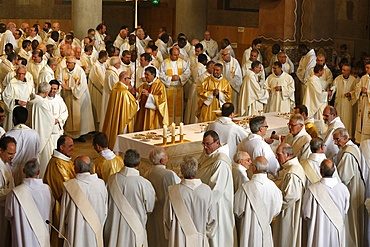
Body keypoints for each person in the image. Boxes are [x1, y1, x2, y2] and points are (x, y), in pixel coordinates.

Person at [104, 149, 155, 247]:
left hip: (114, 229)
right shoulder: (144, 184)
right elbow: (149, 208)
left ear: (124, 162)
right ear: (139, 164)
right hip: (135, 230)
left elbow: (105, 203)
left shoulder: (111, 179)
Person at [164, 156, 216, 247]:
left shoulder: (172, 191)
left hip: (178, 239)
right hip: (200, 238)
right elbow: (212, 219)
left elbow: (167, 219)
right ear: (196, 170)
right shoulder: (206, 190)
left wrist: (172, 234)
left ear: (181, 171)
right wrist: (205, 234)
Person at [196, 130, 236, 247]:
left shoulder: (221, 162)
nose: (205, 147)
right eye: (203, 144)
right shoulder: (209, 155)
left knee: (218, 238)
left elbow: (216, 190)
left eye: (208, 144)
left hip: (217, 206)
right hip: (209, 202)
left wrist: (203, 205)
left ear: (217, 143)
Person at [59, 155, 107, 247]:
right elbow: (105, 210)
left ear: (76, 168)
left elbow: (64, 211)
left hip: (75, 231)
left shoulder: (70, 186)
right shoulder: (101, 184)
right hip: (95, 230)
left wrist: (62, 229)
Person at [234, 156, 282, 247]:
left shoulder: (245, 187)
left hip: (249, 230)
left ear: (254, 168)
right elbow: (277, 210)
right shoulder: (274, 187)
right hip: (266, 228)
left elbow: (237, 210)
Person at [5, 159, 54, 247]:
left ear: (23, 171)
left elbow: (9, 214)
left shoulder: (15, 193)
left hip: (22, 236)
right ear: (38, 172)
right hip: (42, 235)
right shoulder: (47, 189)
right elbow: (52, 206)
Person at [302, 159, 350, 247]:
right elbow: (345, 210)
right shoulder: (343, 189)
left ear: (320, 171)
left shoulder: (312, 190)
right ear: (334, 170)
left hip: (318, 231)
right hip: (337, 230)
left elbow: (306, 213)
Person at [333, 127, 365, 246]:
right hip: (356, 186)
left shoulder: (348, 154)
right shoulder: (353, 147)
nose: (336, 143)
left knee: (351, 220)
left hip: (351, 189)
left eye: (337, 140)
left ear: (345, 138)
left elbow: (343, 176)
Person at [43, 135, 76, 247]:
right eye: (70, 146)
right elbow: (64, 189)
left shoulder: (64, 160)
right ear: (62, 148)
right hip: (59, 207)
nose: (73, 148)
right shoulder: (57, 164)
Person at [145, 147, 181, 247]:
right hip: (167, 212)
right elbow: (177, 191)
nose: (167, 157)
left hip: (154, 211)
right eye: (166, 155)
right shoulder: (168, 174)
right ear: (162, 160)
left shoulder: (147, 173)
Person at [273, 143, 306, 247]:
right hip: (288, 210)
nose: (276, 157)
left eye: (278, 155)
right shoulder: (291, 168)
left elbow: (290, 197)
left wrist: (274, 206)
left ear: (287, 154)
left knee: (286, 238)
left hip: (289, 212)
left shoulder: (292, 172)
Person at [59, 56, 94, 142]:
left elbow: (83, 85)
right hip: (67, 96)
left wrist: (71, 89)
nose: (67, 64)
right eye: (66, 62)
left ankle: (79, 135)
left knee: (78, 115)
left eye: (69, 63)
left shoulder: (80, 71)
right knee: (69, 114)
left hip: (77, 98)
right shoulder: (63, 71)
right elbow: (59, 80)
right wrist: (62, 86)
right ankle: (68, 135)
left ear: (74, 64)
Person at [102, 71, 139, 149]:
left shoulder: (115, 88)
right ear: (125, 79)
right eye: (129, 79)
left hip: (114, 117)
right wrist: (137, 102)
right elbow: (130, 108)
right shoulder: (124, 92)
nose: (130, 81)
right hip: (122, 119)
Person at [6, 107, 40, 186]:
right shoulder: (34, 134)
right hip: (30, 171)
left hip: (13, 171)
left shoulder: (8, 135)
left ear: (14, 118)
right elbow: (37, 152)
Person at [29, 82, 55, 179]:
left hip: (31, 136)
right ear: (47, 92)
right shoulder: (43, 103)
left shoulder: (31, 101)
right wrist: (54, 120)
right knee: (44, 159)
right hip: (42, 135)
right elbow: (50, 120)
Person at [159, 46, 191, 124]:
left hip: (179, 88)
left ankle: (177, 124)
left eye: (177, 54)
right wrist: (170, 78)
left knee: (178, 109)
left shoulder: (182, 62)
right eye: (174, 55)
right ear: (170, 54)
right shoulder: (164, 63)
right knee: (169, 108)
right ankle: (168, 124)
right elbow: (160, 74)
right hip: (169, 88)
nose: (177, 56)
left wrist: (180, 77)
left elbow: (188, 72)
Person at [135, 66, 169, 131]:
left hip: (153, 113)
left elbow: (162, 100)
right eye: (145, 74)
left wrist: (149, 95)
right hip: (144, 111)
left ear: (153, 75)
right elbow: (138, 92)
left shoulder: (160, 85)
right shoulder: (145, 85)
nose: (145, 76)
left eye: (147, 74)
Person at [2, 65, 35, 131]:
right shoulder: (12, 83)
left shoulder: (28, 84)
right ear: (16, 73)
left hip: (26, 109)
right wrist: (17, 101)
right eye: (19, 73)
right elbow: (6, 96)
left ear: (25, 74)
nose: (20, 75)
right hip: (15, 108)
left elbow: (32, 95)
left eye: (22, 74)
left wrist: (29, 102)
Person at [330, 64, 357, 137]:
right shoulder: (338, 79)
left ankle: (347, 136)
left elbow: (356, 91)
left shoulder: (354, 80)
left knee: (348, 121)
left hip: (348, 103)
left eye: (345, 70)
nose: (342, 71)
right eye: (342, 69)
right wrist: (331, 91)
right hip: (339, 102)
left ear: (349, 71)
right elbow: (334, 87)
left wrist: (351, 94)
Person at [185, 60, 214, 124]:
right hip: (203, 98)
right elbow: (200, 89)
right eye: (212, 68)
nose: (214, 70)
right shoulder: (203, 77)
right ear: (208, 68)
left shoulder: (213, 77)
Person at [0, 136, 16, 247]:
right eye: (10, 153)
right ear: (1, 150)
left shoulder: (5, 162)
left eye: (14, 153)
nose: (12, 157)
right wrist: (13, 193)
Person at [302, 64, 328, 130]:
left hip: (315, 101)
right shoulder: (313, 80)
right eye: (322, 71)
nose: (323, 72)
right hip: (313, 102)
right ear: (319, 71)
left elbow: (318, 91)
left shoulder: (315, 79)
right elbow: (318, 94)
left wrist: (323, 91)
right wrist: (327, 93)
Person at [100, 56, 121, 130]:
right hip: (110, 96)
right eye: (119, 63)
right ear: (115, 64)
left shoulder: (110, 71)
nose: (120, 65)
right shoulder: (112, 73)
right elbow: (115, 86)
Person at [88, 50, 108, 130]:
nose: (107, 58)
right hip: (97, 91)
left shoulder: (104, 64)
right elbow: (97, 80)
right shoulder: (95, 66)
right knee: (98, 110)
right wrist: (104, 88)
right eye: (106, 57)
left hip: (102, 92)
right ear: (103, 57)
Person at [219, 48, 242, 113]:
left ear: (229, 55)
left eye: (224, 55)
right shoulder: (220, 62)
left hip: (232, 88)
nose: (223, 57)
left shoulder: (235, 62)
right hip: (223, 88)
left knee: (232, 104)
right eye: (222, 55)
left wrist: (228, 83)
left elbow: (238, 77)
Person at [47, 80, 68, 149]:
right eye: (51, 88)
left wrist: (58, 120)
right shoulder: (43, 100)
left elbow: (65, 112)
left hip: (57, 127)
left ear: (58, 89)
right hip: (47, 128)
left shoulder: (59, 99)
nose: (52, 90)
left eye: (54, 89)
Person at [355, 62, 370, 143]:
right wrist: (360, 90)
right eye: (366, 67)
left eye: (368, 68)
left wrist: (367, 91)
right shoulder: (364, 78)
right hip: (363, 102)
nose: (366, 69)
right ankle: (361, 140)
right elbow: (358, 87)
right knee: (361, 121)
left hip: (369, 103)